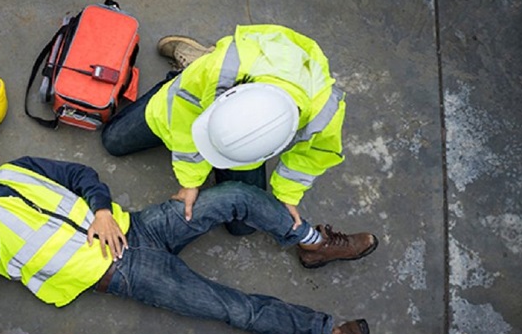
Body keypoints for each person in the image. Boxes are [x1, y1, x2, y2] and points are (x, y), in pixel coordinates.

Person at [0, 130, 374, 334]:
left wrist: (99, 209)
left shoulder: (17, 169)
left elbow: (80, 175)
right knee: (234, 309)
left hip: (139, 227)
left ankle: (312, 241)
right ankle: (331, 331)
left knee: (235, 196)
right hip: (126, 274)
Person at [101, 24, 376, 269]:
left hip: (242, 118)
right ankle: (190, 66)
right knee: (113, 140)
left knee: (243, 226)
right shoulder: (221, 69)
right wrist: (190, 181)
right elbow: (183, 121)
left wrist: (287, 195)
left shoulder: (325, 110)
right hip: (194, 90)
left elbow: (312, 156)